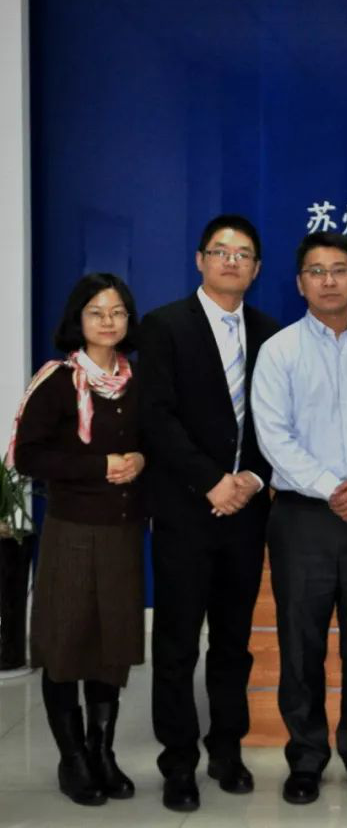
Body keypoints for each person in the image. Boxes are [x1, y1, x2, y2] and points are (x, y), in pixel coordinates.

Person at [251, 231, 347, 806]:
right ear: (300, 283)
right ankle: (306, 758)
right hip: (301, 517)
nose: (329, 280)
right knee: (301, 644)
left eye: (340, 270)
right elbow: (273, 435)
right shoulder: (279, 351)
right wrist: (331, 488)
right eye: (317, 271)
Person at [139, 215, 280, 811]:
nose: (231, 261)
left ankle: (227, 749)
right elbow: (156, 416)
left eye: (243, 253)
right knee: (177, 643)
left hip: (246, 512)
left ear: (257, 268)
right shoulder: (164, 326)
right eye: (221, 251)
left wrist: (251, 478)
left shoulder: (270, 332)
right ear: (200, 260)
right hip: (186, 511)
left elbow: (276, 421)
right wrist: (211, 482)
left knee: (232, 641)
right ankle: (178, 762)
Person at [10, 273, 145, 806]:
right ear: (78, 319)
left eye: (117, 312)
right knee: (66, 647)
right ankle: (72, 760)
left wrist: (141, 458)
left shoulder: (137, 381)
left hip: (122, 533)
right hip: (72, 532)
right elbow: (28, 456)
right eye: (96, 312)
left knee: (111, 648)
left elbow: (151, 442)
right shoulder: (58, 380)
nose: (108, 321)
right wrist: (99, 466)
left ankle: (101, 752)